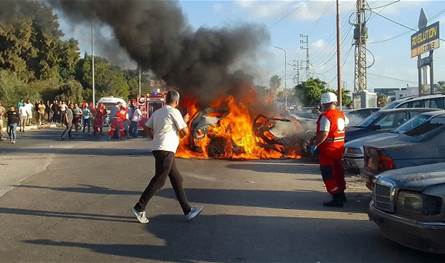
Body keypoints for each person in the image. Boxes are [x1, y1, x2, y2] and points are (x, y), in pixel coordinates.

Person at [132, 90, 203, 224]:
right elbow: (184, 133)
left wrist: (154, 137)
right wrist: (185, 121)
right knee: (159, 180)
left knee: (177, 179)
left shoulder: (158, 112)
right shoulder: (174, 112)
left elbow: (146, 127)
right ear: (176, 101)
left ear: (165, 100)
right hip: (166, 150)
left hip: (159, 149)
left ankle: (188, 211)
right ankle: (139, 208)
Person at [310, 92, 349, 207]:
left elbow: (324, 134)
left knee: (328, 173)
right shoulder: (341, 115)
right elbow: (345, 124)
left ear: (324, 103)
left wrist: (315, 144)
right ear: (335, 102)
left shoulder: (326, 116)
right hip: (339, 149)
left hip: (327, 151)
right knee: (338, 172)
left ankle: (336, 197)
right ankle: (341, 195)